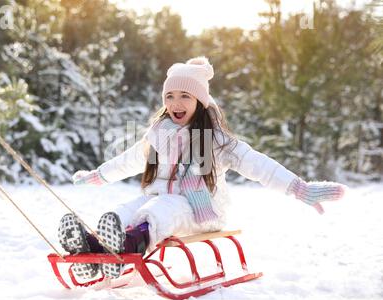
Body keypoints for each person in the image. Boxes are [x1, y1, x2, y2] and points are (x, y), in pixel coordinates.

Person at [57, 56, 346, 280]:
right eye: (169, 96)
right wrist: (99, 175)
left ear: (199, 100)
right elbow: (129, 160)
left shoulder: (217, 140)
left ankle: (127, 249)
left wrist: (300, 188)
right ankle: (93, 252)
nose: (175, 103)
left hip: (202, 209)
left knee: (160, 209)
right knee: (125, 209)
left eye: (185, 96)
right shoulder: (158, 135)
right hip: (159, 199)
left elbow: (259, 165)